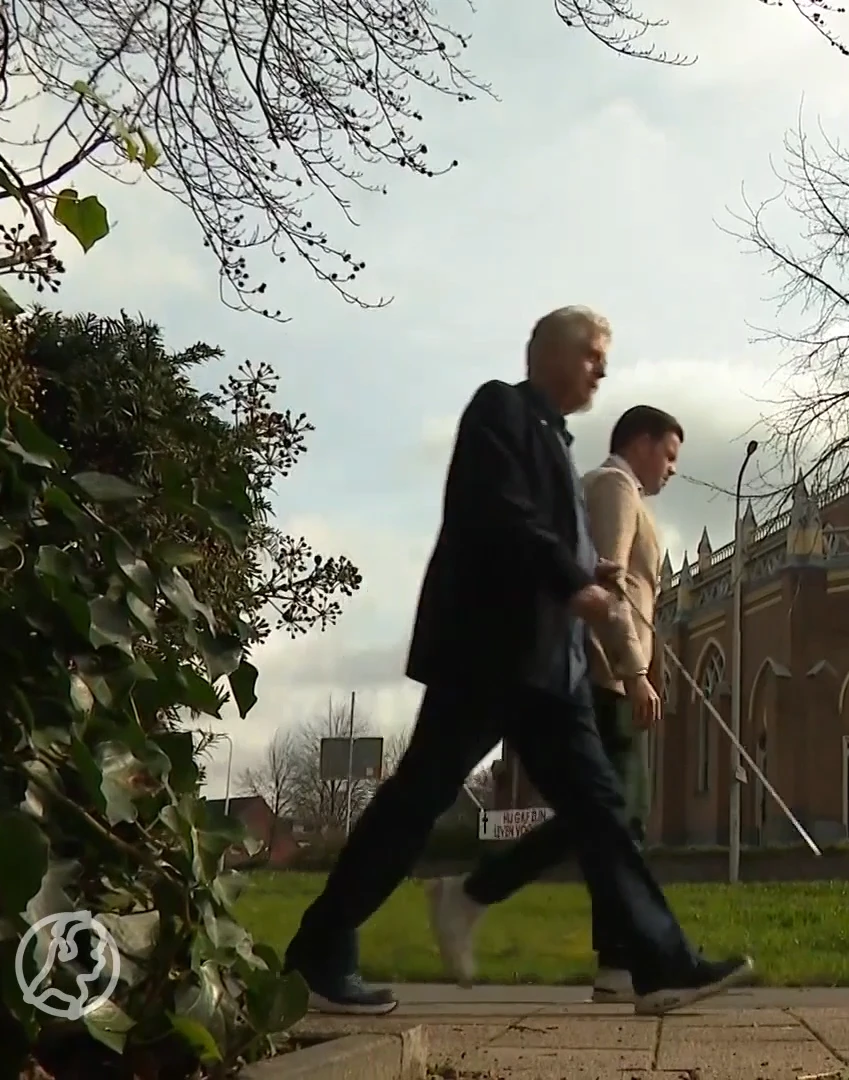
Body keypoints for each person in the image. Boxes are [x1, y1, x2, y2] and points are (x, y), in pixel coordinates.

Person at [280, 306, 753, 1017]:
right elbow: (502, 513)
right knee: (419, 799)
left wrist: (587, 578)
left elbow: (553, 538)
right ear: (548, 353)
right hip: (490, 650)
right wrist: (577, 585)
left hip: (552, 672)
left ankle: (662, 965)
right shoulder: (498, 410)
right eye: (592, 355)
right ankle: (320, 949)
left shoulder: (559, 444)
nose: (602, 369)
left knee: (601, 808)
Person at [424, 404, 682, 1004]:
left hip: (606, 676)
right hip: (603, 677)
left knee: (609, 816)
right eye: (669, 454)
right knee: (615, 814)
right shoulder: (615, 487)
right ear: (640, 443)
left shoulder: (614, 490)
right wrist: (633, 671)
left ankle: (612, 960)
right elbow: (608, 590)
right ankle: (616, 956)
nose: (672, 469)